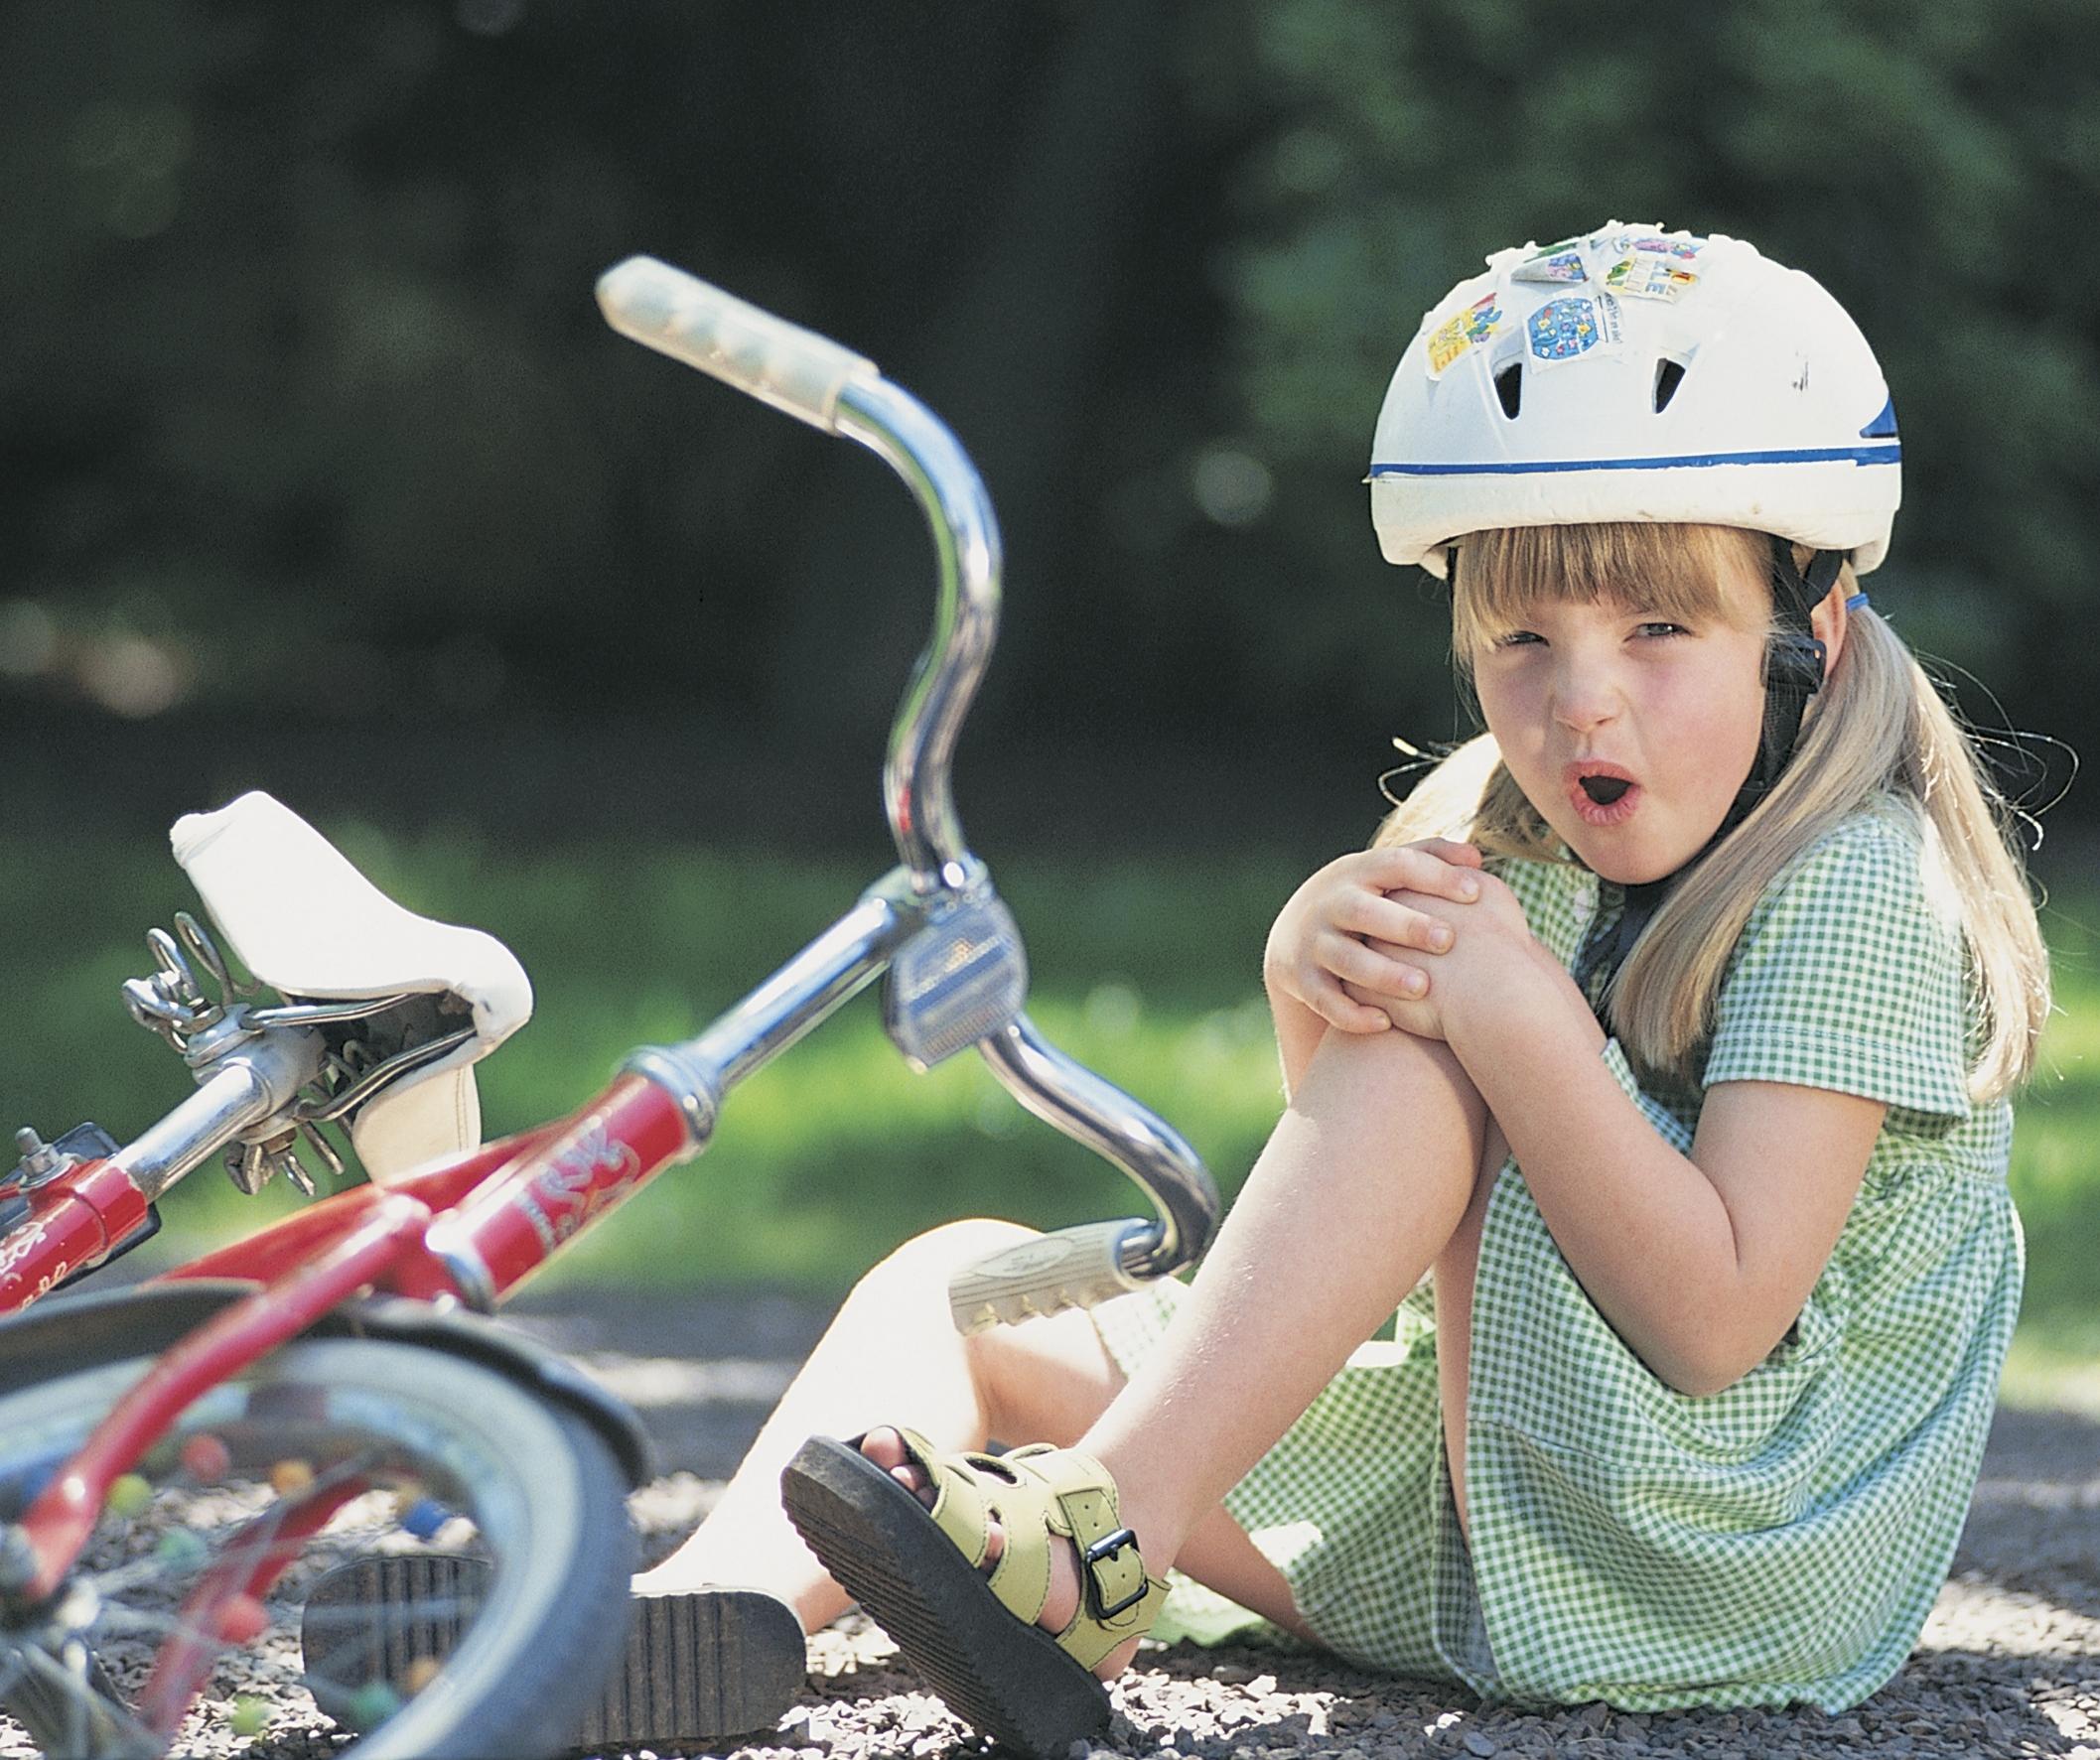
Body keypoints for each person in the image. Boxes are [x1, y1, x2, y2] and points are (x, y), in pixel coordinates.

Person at [634, 220, 2053, 1758]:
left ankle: (1105, 1539)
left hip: (1720, 1558)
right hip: (1485, 1471)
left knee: (1444, 1022)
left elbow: (1713, 1320)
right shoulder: (1506, 831)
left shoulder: (1858, 881)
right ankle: (699, 1619)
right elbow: (1372, 1209)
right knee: (958, 1284)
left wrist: (1512, 1021)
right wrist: (1306, 982)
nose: (1583, 695)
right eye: (1523, 634)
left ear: (1810, 632)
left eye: (1661, 627)